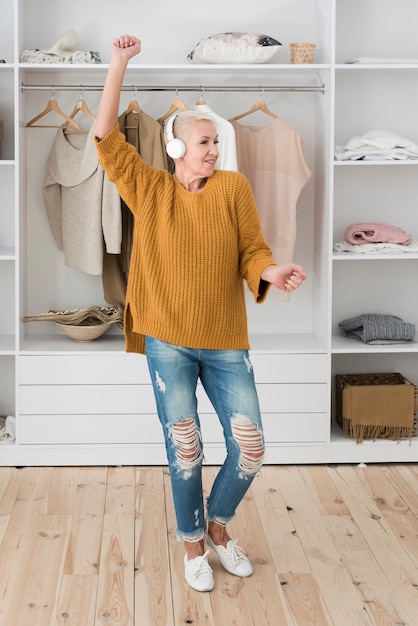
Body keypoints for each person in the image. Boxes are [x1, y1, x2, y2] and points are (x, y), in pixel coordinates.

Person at [95, 34, 307, 593]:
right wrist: (119, 62)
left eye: (217, 141)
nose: (214, 150)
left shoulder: (234, 189)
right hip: (168, 338)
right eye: (205, 141)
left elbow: (252, 252)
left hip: (223, 340)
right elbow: (103, 137)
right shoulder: (150, 188)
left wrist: (270, 272)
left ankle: (217, 524)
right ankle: (192, 543)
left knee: (252, 444)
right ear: (175, 148)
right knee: (184, 444)